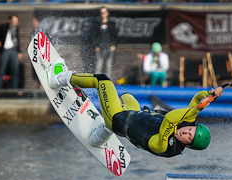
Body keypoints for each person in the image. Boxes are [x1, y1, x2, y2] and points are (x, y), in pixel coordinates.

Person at [46, 57, 221, 157]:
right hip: (133, 114)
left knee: (101, 80)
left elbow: (169, 119)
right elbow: (197, 98)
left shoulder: (166, 147)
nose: (185, 132)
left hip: (118, 118)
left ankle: (61, 77)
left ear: (187, 146)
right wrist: (210, 96)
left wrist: (198, 109)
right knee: (127, 97)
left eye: (188, 137)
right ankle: (100, 135)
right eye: (190, 129)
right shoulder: (186, 123)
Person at [0, 15, 22, 91]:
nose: (15, 23)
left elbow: (17, 40)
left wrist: (19, 51)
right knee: (1, 70)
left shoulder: (16, 29)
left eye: (17, 21)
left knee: (15, 70)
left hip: (13, 50)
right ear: (9, 20)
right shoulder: (3, 27)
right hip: (5, 50)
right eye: (14, 21)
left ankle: (15, 90)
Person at [91, 7, 117, 77]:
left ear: (107, 13)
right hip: (100, 46)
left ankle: (108, 80)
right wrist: (96, 45)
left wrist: (113, 45)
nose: (102, 14)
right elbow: (94, 36)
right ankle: (96, 80)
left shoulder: (111, 24)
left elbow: (115, 36)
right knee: (99, 64)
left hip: (109, 46)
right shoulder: (97, 24)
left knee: (108, 65)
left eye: (104, 12)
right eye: (101, 13)